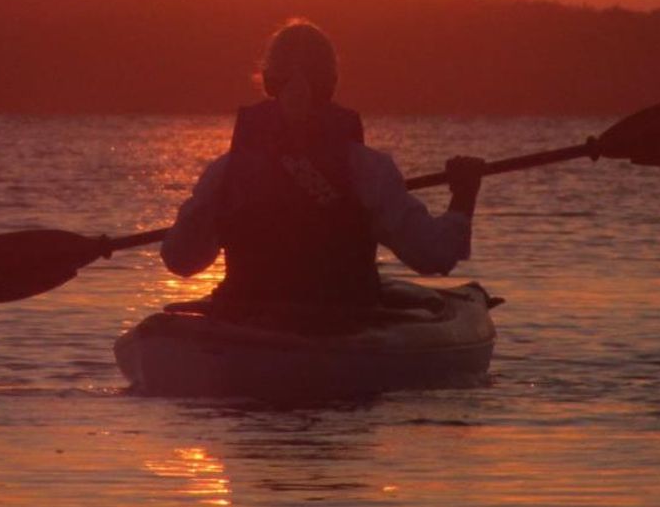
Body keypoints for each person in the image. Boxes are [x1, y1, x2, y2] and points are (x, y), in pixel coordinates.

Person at [162, 19, 486, 309]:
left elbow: (181, 260)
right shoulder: (368, 171)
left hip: (249, 318)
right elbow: (434, 255)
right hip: (340, 325)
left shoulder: (227, 171)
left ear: (268, 82)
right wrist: (464, 193)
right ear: (331, 84)